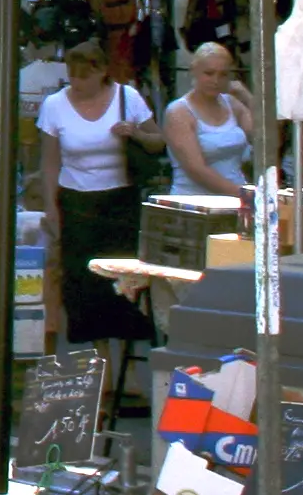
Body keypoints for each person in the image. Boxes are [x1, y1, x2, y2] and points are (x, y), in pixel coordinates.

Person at [38, 41, 164, 351]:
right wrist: (51, 207)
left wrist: (134, 132)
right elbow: (50, 161)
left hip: (120, 201)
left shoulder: (127, 97)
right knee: (83, 285)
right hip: (76, 201)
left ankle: (125, 362)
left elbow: (159, 141)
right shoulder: (55, 105)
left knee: (120, 283)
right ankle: (97, 360)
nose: (77, 84)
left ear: (102, 72)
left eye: (84, 77)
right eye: (72, 77)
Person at [163, 42, 255, 196]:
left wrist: (248, 98)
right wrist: (245, 194)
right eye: (209, 73)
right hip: (196, 203)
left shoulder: (232, 103)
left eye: (223, 74)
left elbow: (265, 141)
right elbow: (197, 170)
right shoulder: (179, 112)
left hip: (237, 200)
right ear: (194, 71)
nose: (216, 80)